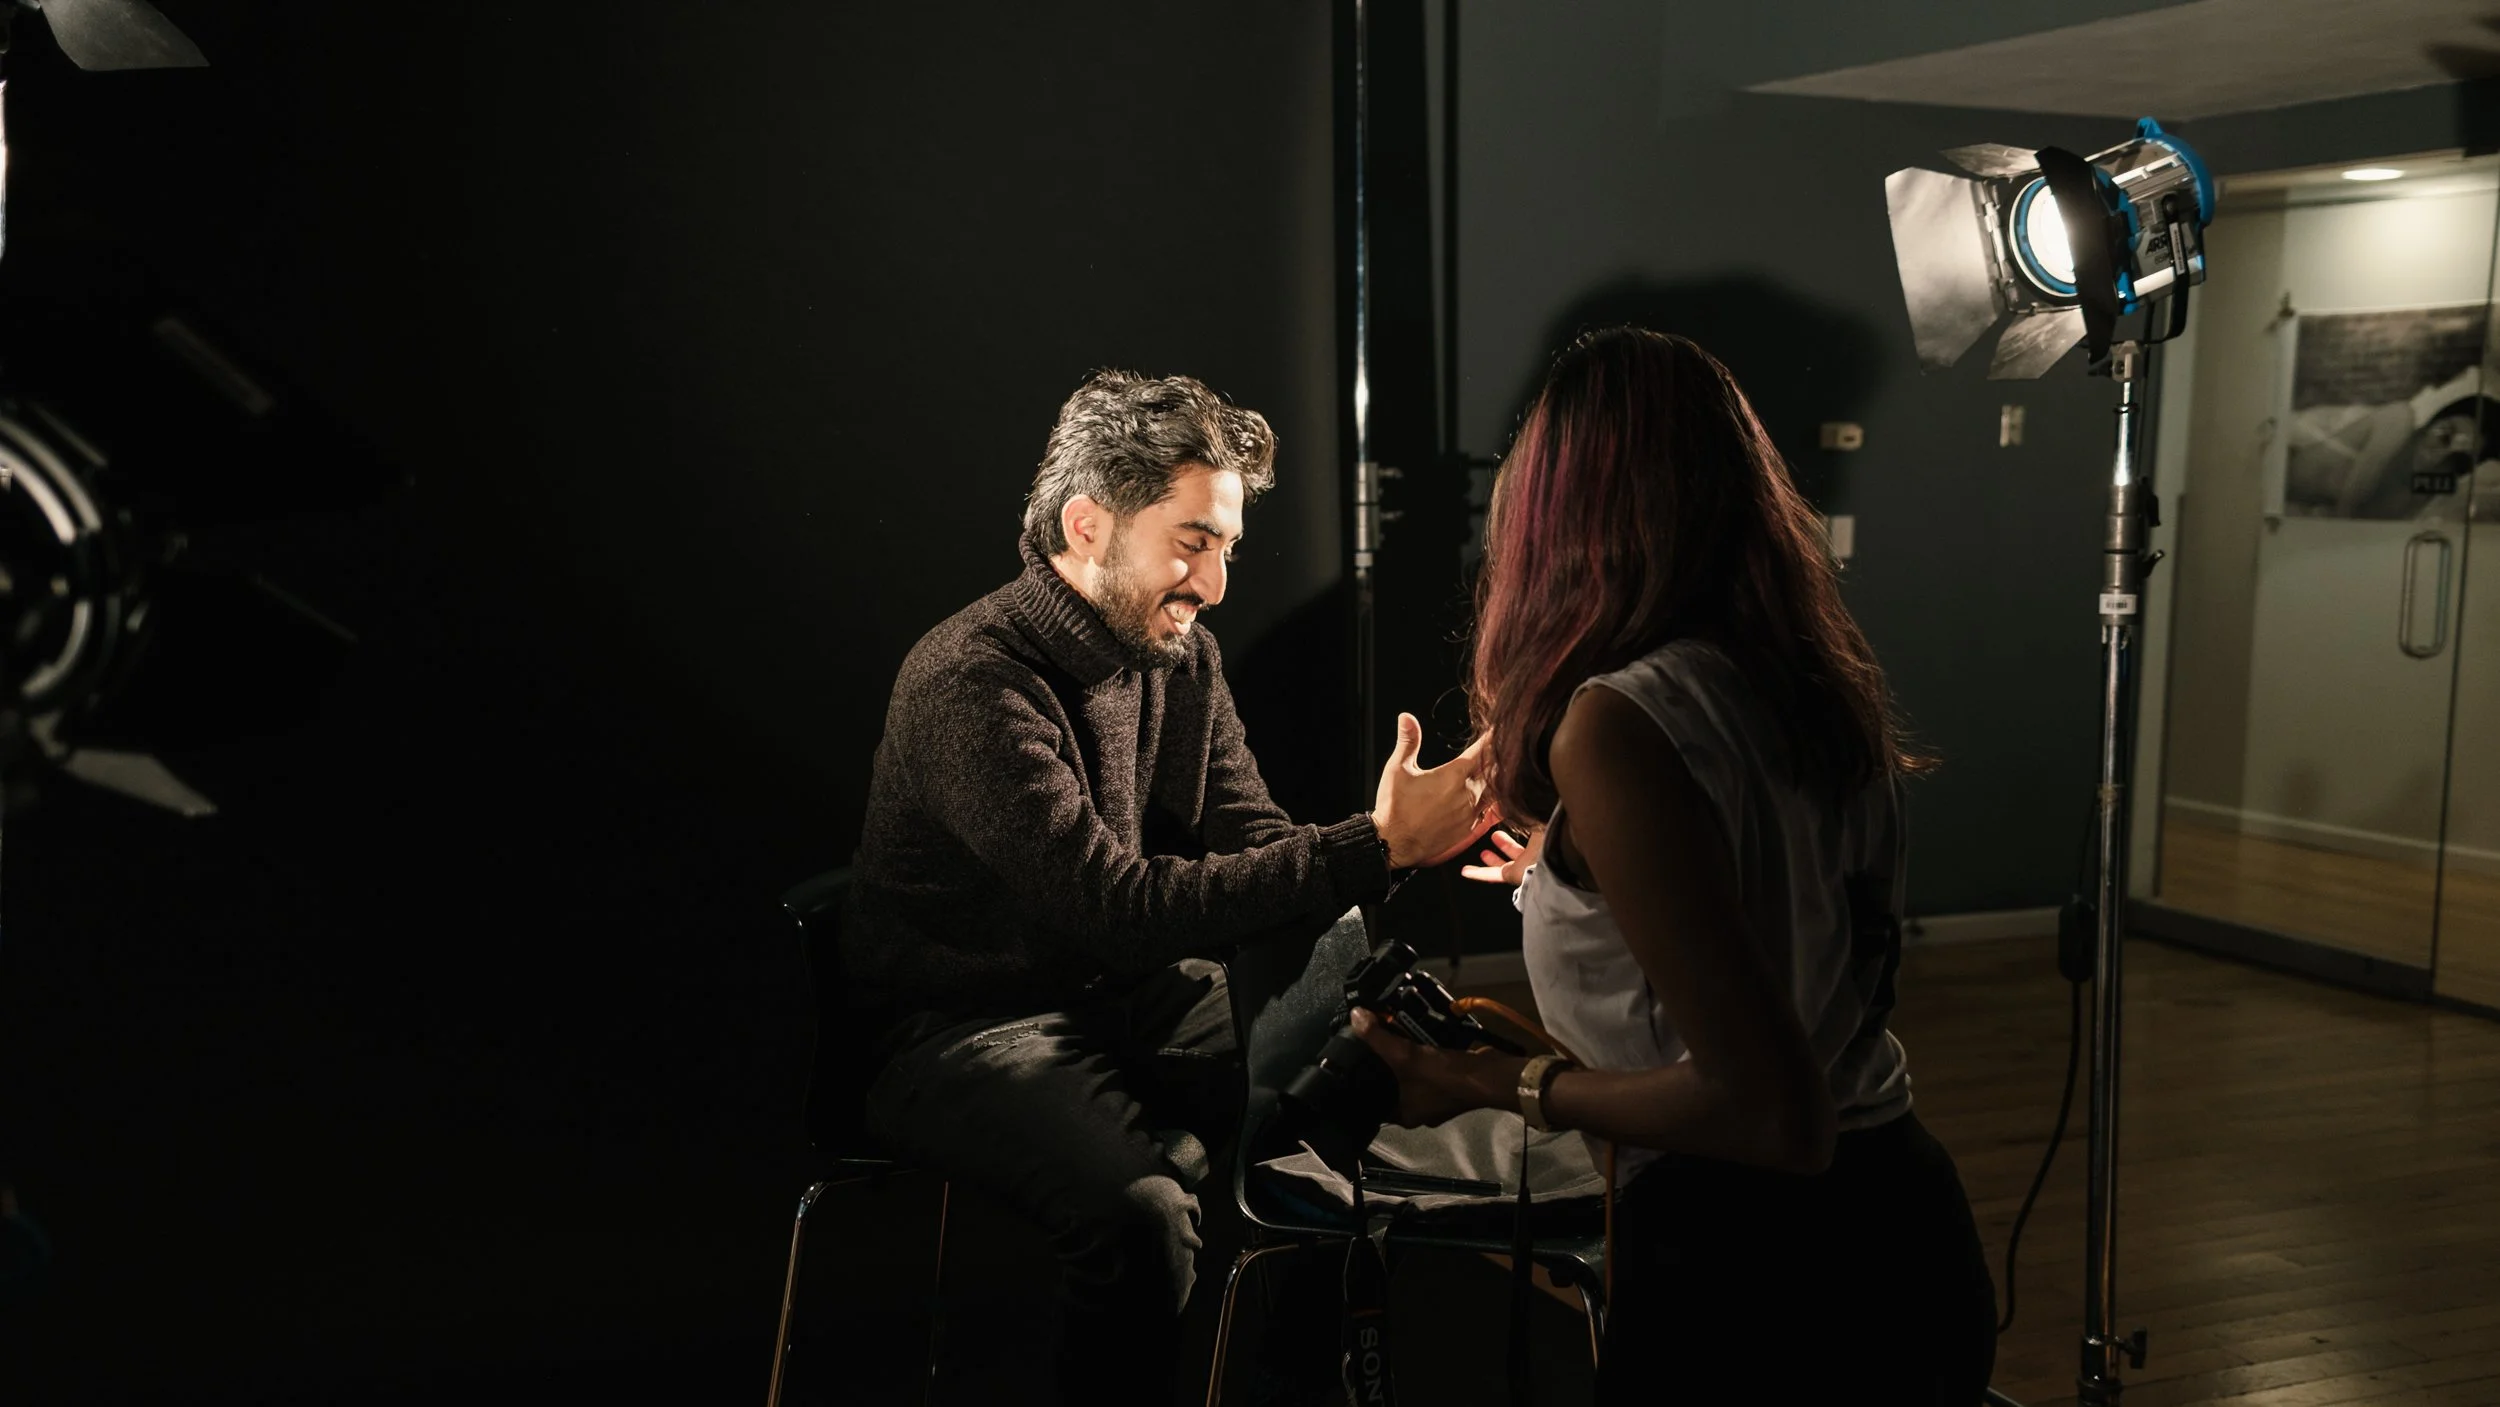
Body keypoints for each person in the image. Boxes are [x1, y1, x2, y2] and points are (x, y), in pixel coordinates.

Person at [1351, 328, 1997, 1403]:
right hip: (1902, 1224)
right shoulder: (1799, 680)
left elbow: (1768, 1115)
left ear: (1561, 516)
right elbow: (1777, 911)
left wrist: (1476, 1081)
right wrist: (1575, 894)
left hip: (1762, 1281)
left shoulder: (1613, 726)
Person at [846, 369, 1495, 1405]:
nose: (1216, 582)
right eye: (1193, 541)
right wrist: (1374, 847)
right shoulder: (973, 680)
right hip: (960, 1029)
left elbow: (1256, 844)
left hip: (1122, 994)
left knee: (1346, 1084)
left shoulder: (1178, 657)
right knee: (1143, 1217)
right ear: (1088, 523)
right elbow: (1115, 905)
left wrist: (1396, 877)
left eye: (1226, 546)